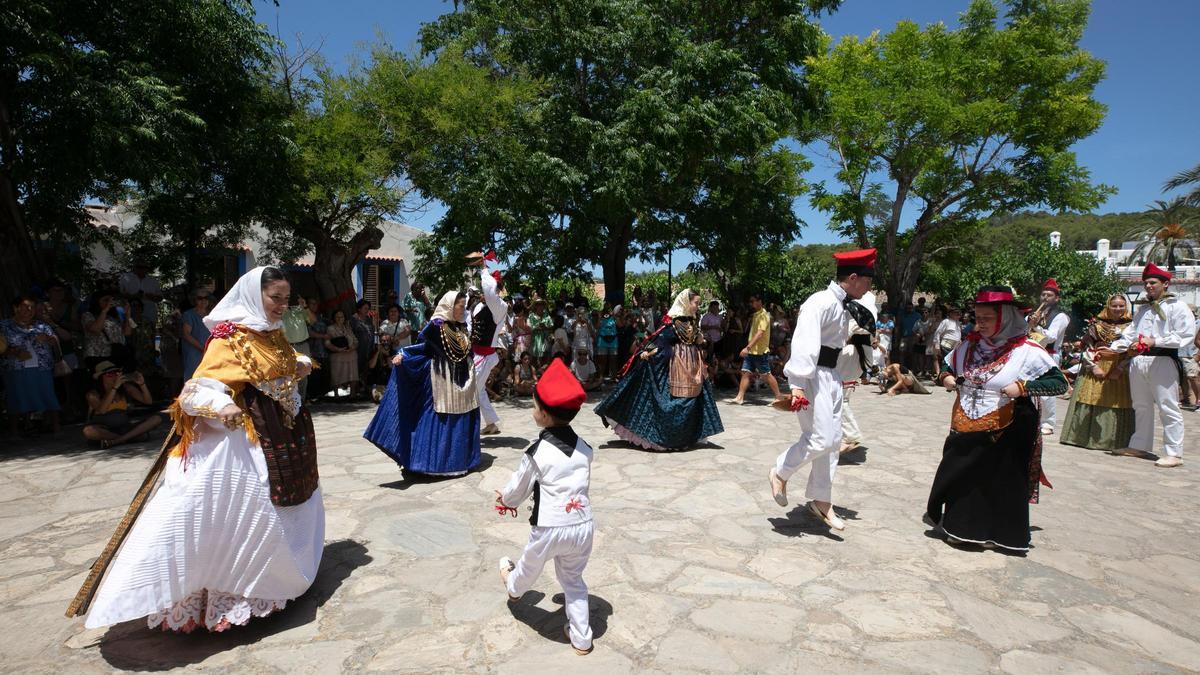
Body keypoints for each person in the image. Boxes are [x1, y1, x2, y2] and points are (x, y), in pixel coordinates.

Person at [82, 266, 323, 632]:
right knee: (244, 510)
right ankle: (229, 596)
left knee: (291, 505)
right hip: (246, 439)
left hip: (285, 434)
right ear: (252, 296)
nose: (281, 305)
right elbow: (199, 387)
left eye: (285, 299)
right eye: (276, 298)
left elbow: (283, 364)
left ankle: (281, 580)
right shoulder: (229, 338)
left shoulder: (272, 334)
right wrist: (222, 406)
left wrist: (299, 364)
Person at [925, 286, 1067, 552]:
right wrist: (945, 377)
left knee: (1001, 480)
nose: (981, 323)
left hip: (1009, 427)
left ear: (1006, 317)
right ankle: (962, 529)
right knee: (965, 477)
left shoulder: (1027, 350)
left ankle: (1002, 535)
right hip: (968, 422)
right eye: (978, 317)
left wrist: (1023, 387)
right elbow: (947, 366)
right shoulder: (969, 346)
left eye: (987, 318)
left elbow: (1058, 382)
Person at [767, 249, 877, 532]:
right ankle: (781, 471)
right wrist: (798, 385)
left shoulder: (844, 306)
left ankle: (822, 501)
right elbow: (804, 342)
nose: (869, 287)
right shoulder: (820, 302)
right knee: (822, 439)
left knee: (833, 441)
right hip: (814, 376)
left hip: (831, 376)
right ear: (853, 278)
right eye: (867, 281)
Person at [496, 359, 595, 656]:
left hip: (550, 527)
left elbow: (518, 488)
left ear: (544, 414)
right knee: (573, 581)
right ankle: (581, 638)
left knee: (528, 566)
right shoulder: (585, 449)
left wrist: (505, 500)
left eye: (534, 404)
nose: (532, 409)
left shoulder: (537, 453)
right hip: (583, 526)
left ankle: (513, 589)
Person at [364, 290, 481, 476]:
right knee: (440, 419)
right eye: (460, 305)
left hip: (463, 381)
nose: (463, 308)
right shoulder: (436, 326)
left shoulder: (461, 327)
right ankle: (434, 464)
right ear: (450, 305)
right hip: (442, 380)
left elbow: (466, 352)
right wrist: (403, 355)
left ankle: (461, 461)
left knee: (461, 418)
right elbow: (423, 348)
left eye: (464, 305)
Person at [594, 289, 723, 451]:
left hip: (692, 369)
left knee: (693, 400)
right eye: (696, 303)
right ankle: (666, 438)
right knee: (671, 401)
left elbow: (697, 340)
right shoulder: (673, 324)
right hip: (675, 368)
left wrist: (702, 341)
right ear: (685, 303)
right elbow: (659, 341)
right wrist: (648, 353)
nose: (698, 306)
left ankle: (685, 437)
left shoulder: (690, 323)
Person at [1107, 264, 1197, 467]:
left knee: (1168, 406)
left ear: (1165, 284)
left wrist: (1155, 341)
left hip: (1163, 360)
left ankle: (1174, 453)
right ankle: (1139, 445)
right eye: (1145, 282)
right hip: (1139, 360)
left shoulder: (1177, 306)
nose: (1148, 286)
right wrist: (1114, 348)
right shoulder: (1143, 309)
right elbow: (1130, 333)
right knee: (1140, 404)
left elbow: (1185, 335)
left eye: (1152, 282)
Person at [1059, 294, 1134, 451]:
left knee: (1115, 401)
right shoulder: (1096, 326)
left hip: (1119, 369)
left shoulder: (1132, 326)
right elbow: (1086, 348)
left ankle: (1112, 441)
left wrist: (1120, 368)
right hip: (1096, 365)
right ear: (1108, 306)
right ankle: (1083, 437)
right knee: (1089, 398)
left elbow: (1133, 352)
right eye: (1114, 305)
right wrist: (1093, 366)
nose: (1118, 309)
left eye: (1121, 306)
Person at [1, 294, 61, 434]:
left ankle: (56, 427)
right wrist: (13, 352)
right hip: (15, 368)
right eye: (25, 306)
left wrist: (47, 338)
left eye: (32, 307)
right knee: (15, 397)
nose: (29, 310)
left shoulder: (41, 325)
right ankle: (14, 431)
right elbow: (1, 348)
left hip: (42, 367)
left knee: (48, 395)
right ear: (16, 308)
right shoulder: (4, 326)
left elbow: (54, 341)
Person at [469, 258, 508, 436]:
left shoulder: (500, 306)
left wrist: (483, 268)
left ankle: (468, 429)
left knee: (471, 390)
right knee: (480, 389)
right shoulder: (478, 307)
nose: (485, 291)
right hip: (476, 355)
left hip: (485, 357)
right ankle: (491, 423)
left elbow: (491, 294)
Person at [82, 361, 163, 447]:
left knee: (156, 419)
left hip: (124, 427)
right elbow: (102, 410)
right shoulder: (93, 394)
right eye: (110, 374)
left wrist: (142, 384)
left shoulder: (125, 387)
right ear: (101, 377)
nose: (115, 376)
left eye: (116, 373)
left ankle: (117, 441)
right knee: (88, 431)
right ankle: (129, 438)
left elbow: (148, 401)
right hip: (105, 429)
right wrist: (114, 388)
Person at [836, 293, 877, 454]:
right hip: (860, 353)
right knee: (841, 397)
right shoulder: (867, 308)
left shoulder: (859, 307)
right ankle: (844, 435)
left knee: (840, 398)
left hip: (854, 353)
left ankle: (851, 436)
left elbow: (849, 331)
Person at [1029, 279, 1071, 435]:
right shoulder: (1036, 313)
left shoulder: (1061, 316)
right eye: (1043, 294)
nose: (1045, 297)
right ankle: (1034, 420)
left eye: (1049, 295)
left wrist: (1036, 326)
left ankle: (1048, 422)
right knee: (1031, 388)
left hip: (1049, 355)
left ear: (1056, 298)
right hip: (1033, 353)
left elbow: (1052, 337)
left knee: (1047, 390)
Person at [729, 294, 784, 405]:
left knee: (766, 375)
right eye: (751, 301)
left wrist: (747, 347)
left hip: (759, 351)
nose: (751, 303)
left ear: (760, 301)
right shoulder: (756, 315)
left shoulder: (764, 315)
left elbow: (760, 333)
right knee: (745, 372)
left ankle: (778, 396)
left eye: (753, 301)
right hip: (751, 351)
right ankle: (740, 397)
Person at [81, 291, 134, 369]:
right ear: (96, 301)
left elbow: (127, 333)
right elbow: (95, 329)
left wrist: (128, 315)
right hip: (98, 356)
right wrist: (105, 310)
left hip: (116, 354)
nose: (109, 302)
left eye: (111, 300)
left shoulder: (115, 317)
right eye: (106, 300)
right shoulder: (88, 315)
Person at [325, 309, 359, 400]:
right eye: (337, 317)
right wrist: (338, 349)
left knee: (353, 374)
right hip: (337, 355)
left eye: (342, 316)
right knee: (336, 374)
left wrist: (353, 347)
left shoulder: (348, 328)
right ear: (334, 318)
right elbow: (327, 343)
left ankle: (352, 394)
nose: (340, 318)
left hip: (351, 354)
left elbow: (355, 340)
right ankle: (336, 395)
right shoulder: (330, 328)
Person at [181, 290, 213, 381]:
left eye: (206, 298)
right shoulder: (189, 314)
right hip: (194, 355)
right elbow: (186, 335)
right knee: (193, 381)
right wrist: (203, 348)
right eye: (200, 298)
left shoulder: (212, 314)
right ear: (194, 300)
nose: (203, 300)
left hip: (209, 354)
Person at [596, 304, 618, 380]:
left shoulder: (614, 318)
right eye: (606, 309)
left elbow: (619, 324)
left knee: (613, 360)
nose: (607, 311)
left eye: (609, 309)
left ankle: (614, 377)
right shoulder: (601, 318)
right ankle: (600, 378)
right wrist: (599, 316)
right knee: (602, 360)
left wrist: (614, 315)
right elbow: (597, 326)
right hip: (602, 340)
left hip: (613, 341)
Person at [529, 299, 553, 368]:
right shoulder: (531, 316)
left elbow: (552, 326)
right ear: (535, 306)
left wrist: (545, 327)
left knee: (546, 358)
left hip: (545, 339)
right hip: (535, 339)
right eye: (538, 304)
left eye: (541, 304)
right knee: (536, 360)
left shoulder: (547, 315)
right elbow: (528, 328)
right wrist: (536, 327)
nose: (540, 306)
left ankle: (545, 374)